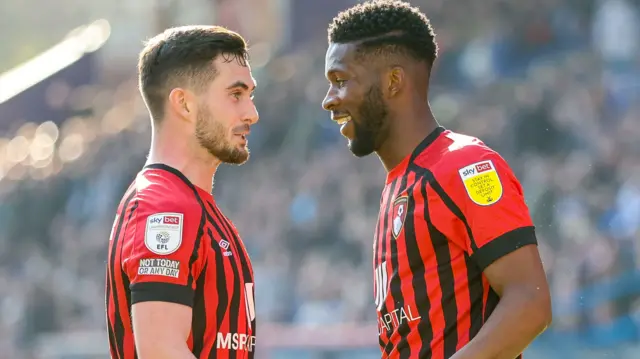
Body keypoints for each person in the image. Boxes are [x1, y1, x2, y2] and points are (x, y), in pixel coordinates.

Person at [322, 1, 552, 358]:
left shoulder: (465, 166)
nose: (328, 100)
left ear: (393, 81)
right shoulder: (398, 186)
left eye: (340, 81)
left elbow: (530, 303)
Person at [105, 25, 259, 359]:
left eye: (250, 95)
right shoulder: (164, 207)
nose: (252, 113)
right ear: (184, 104)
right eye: (235, 94)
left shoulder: (193, 206)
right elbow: (161, 350)